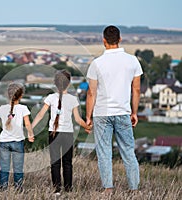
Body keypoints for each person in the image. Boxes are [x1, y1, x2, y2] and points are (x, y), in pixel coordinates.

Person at [86, 25, 142, 193]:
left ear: (104, 41)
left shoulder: (97, 63)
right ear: (120, 39)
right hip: (123, 112)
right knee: (128, 152)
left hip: (102, 114)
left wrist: (88, 116)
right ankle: (133, 189)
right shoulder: (133, 61)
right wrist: (134, 112)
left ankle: (108, 189)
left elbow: (91, 93)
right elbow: (137, 89)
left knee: (104, 153)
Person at [32, 70, 91, 195]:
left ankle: (57, 190)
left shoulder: (50, 98)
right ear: (69, 84)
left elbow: (41, 114)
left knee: (55, 162)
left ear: (55, 83)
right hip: (67, 134)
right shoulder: (73, 99)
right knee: (67, 163)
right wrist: (87, 127)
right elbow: (77, 119)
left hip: (53, 133)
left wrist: (31, 128)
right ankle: (69, 189)